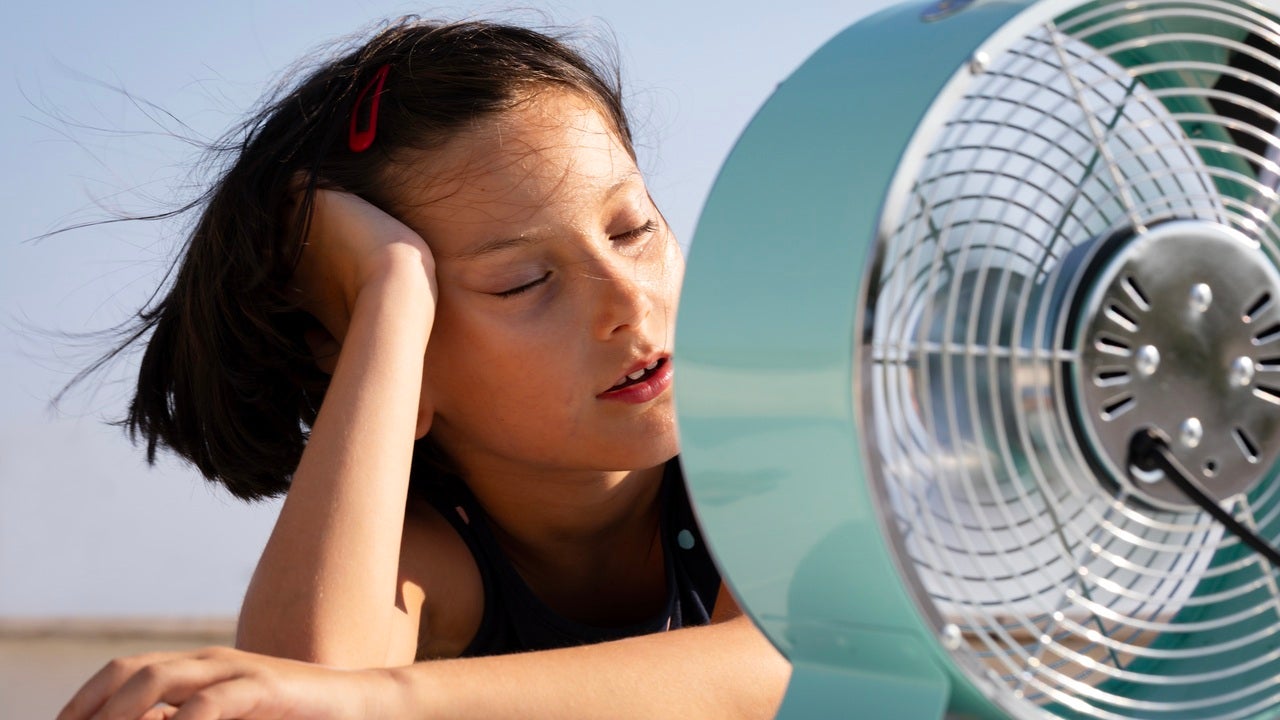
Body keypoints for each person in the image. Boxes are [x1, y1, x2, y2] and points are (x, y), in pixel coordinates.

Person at [56, 16, 790, 720]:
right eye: (524, 281)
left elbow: (772, 672)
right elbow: (305, 690)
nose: (631, 300)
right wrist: (390, 291)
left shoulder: (792, 439)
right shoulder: (435, 556)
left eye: (632, 230)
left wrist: (380, 703)